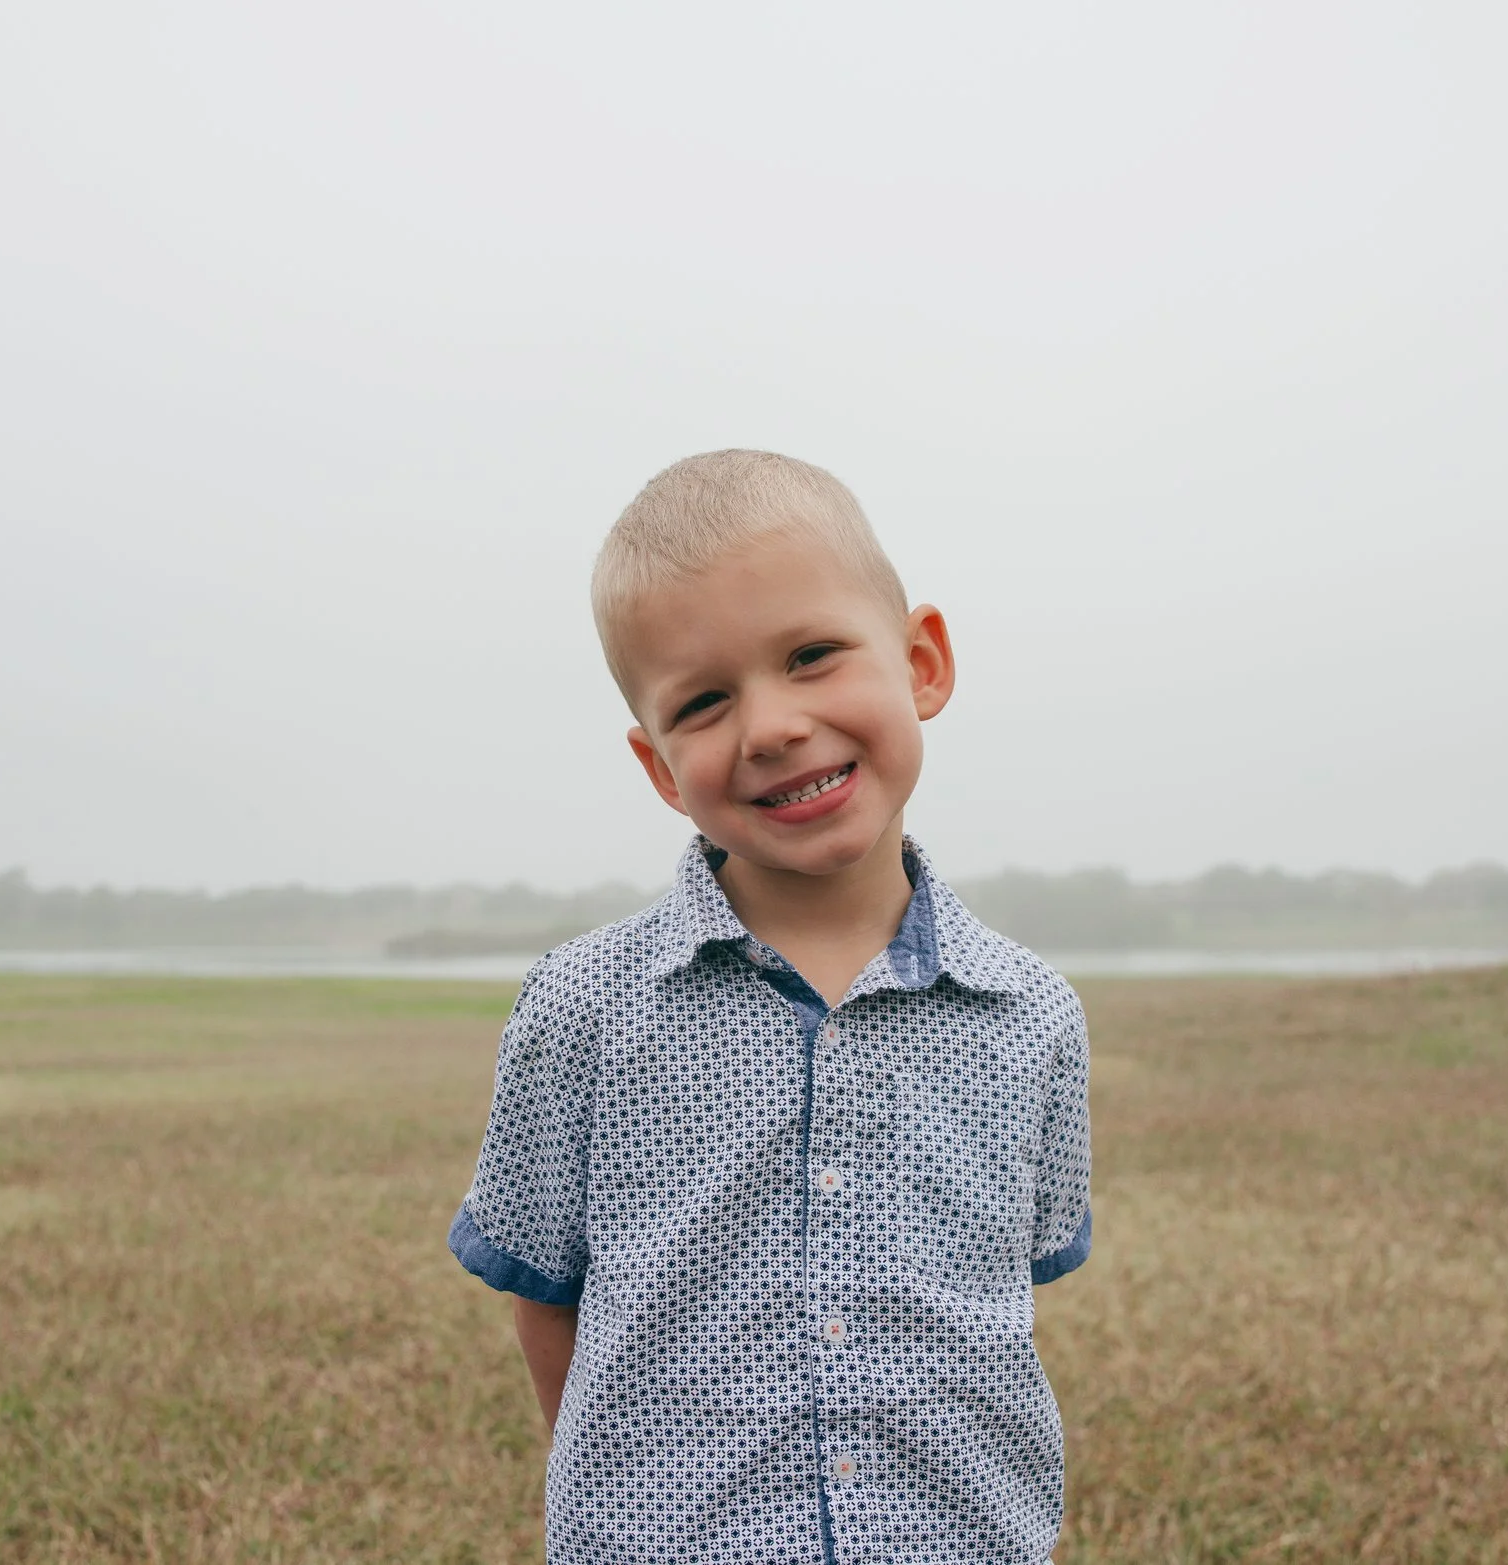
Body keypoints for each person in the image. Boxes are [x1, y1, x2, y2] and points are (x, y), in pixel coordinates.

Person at [448, 449, 1092, 1563]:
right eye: (704, 700)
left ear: (922, 660)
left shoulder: (1031, 1014)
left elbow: (1009, 1296)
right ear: (659, 765)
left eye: (810, 655)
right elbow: (544, 1292)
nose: (772, 726)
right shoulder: (583, 1006)